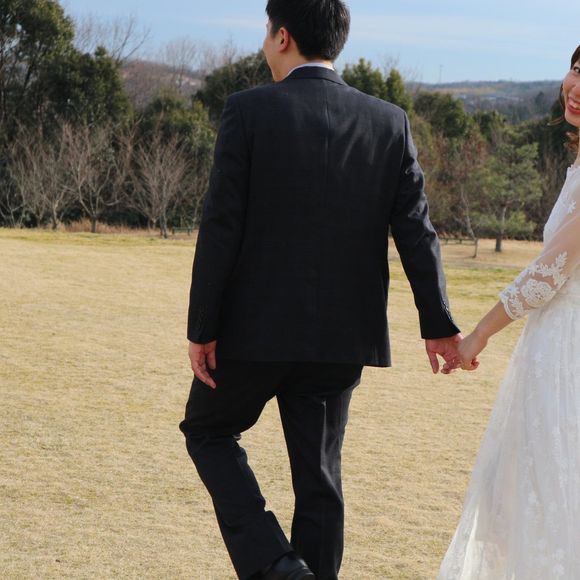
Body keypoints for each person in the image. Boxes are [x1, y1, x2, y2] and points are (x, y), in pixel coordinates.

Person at [179, 1, 461, 578]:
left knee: (207, 431)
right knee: (320, 478)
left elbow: (221, 226)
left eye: (266, 33)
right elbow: (417, 230)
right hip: (341, 337)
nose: (265, 44)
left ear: (282, 36)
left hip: (252, 331)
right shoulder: (389, 121)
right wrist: (437, 323)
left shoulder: (247, 110)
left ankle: (278, 565)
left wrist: (202, 326)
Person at [438, 45, 580, 580]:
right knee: (526, 491)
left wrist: (479, 334)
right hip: (551, 344)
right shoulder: (576, 167)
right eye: (577, 69)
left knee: (551, 493)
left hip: (566, 353)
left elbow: (550, 272)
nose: (576, 87)